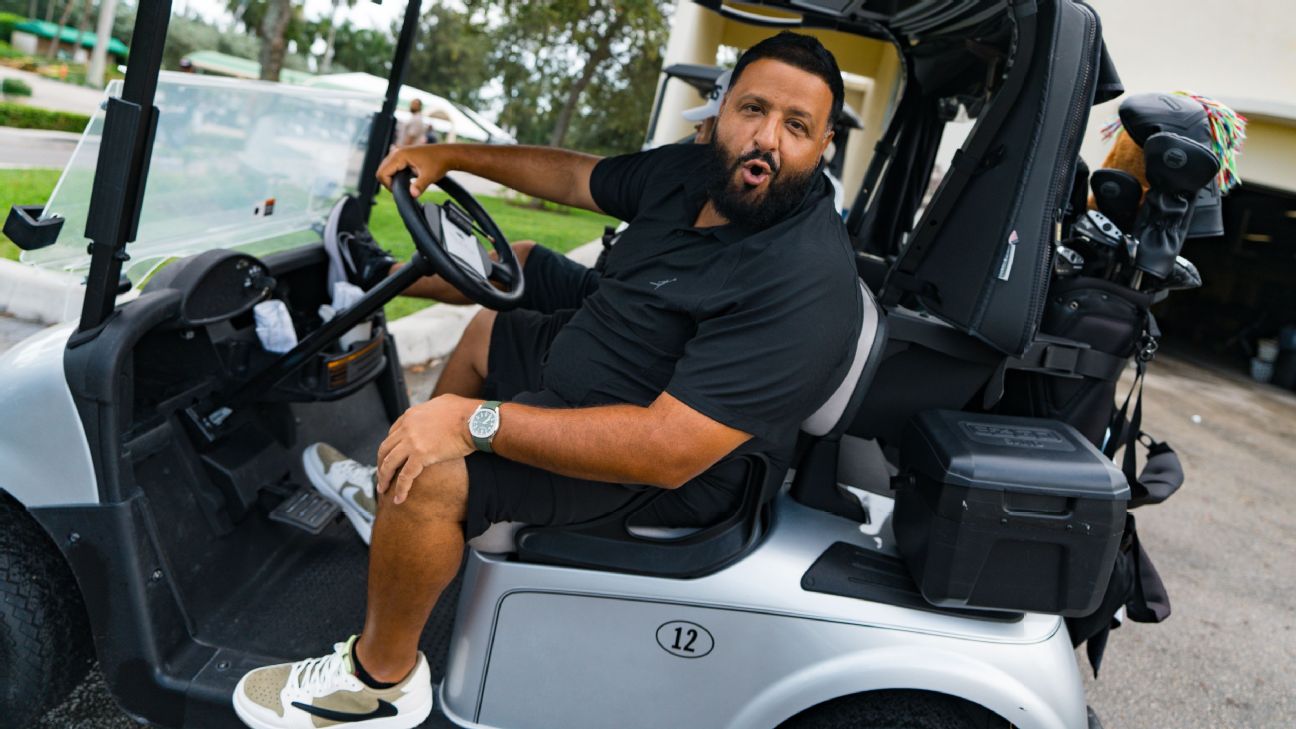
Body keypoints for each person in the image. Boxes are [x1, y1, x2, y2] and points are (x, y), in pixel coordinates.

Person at [232, 31, 862, 729]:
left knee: (442, 467)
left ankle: (378, 683)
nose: (767, 139)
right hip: (619, 354)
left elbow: (666, 448)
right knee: (494, 317)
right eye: (753, 110)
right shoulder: (692, 173)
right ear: (722, 112)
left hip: (674, 472)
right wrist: (451, 157)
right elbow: (573, 175)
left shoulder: (805, 280)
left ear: (825, 143)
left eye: (796, 126)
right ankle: (398, 492)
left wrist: (469, 423)